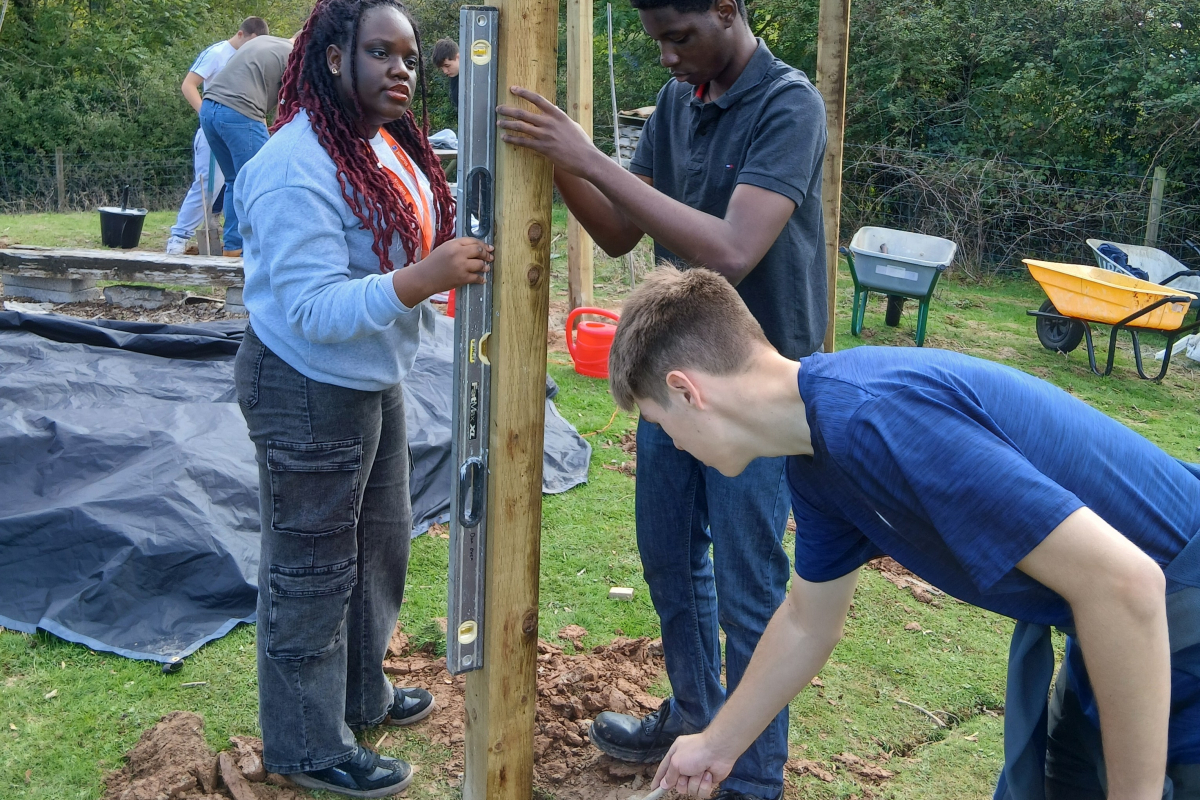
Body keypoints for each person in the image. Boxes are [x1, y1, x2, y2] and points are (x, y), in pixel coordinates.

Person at [605, 267, 1200, 800]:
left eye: (660, 424)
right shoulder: (816, 457)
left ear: (688, 391)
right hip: (1117, 622)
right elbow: (809, 621)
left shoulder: (874, 419)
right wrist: (717, 743)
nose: (673, 445)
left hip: (1174, 611)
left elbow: (1127, 585)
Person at [496, 0, 827, 797]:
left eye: (680, 38)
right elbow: (615, 231)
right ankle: (691, 713)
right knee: (670, 558)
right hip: (672, 382)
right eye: (658, 43)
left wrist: (589, 153)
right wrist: (562, 161)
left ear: (727, 10)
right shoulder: (682, 103)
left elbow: (732, 249)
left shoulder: (789, 104)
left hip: (758, 394)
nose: (669, 59)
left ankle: (752, 778)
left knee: (751, 587)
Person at [233, 0, 492, 795]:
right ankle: (306, 743)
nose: (402, 70)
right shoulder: (293, 167)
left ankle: (357, 693)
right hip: (305, 384)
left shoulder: (383, 146)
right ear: (335, 57)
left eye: (410, 55)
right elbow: (311, 307)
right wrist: (425, 278)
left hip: (369, 379)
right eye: (381, 52)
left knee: (377, 548)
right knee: (312, 567)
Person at [165, 17, 268, 255]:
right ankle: (179, 236)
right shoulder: (218, 53)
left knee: (238, 182)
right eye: (252, 42)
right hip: (214, 127)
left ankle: (235, 240)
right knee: (208, 186)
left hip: (242, 128)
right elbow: (188, 85)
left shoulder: (252, 58)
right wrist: (207, 116)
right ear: (241, 34)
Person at [199, 33, 295, 256]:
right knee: (262, 181)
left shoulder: (264, 42)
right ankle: (264, 248)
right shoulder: (294, 57)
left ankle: (233, 248)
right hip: (239, 113)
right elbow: (286, 109)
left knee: (235, 181)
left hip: (209, 109)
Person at [430, 38, 458, 115]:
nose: (445, 71)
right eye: (442, 68)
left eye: (447, 65)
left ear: (458, 57)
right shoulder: (454, 78)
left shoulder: (472, 78)